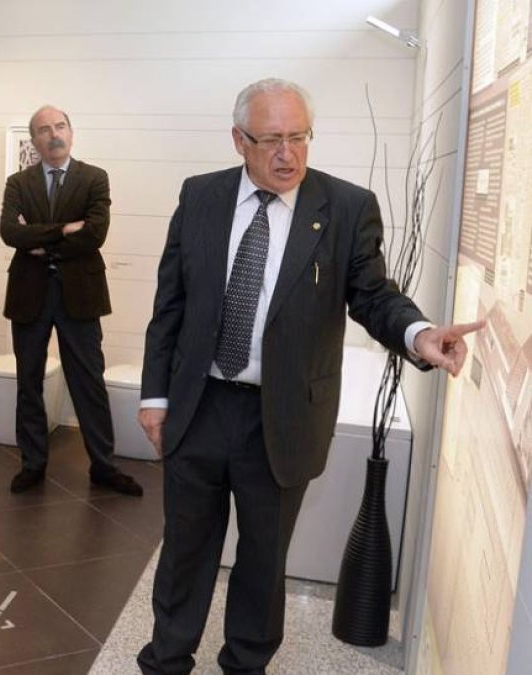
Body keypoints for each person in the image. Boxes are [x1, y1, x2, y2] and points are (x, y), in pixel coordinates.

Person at [136, 78, 485, 674]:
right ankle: (166, 661)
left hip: (284, 416)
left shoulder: (345, 207)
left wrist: (418, 333)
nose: (287, 154)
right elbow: (170, 303)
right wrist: (155, 395)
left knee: (264, 560)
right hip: (199, 406)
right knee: (184, 552)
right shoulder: (200, 196)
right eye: (271, 139)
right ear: (239, 140)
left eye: (299, 137)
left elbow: (373, 294)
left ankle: (245, 665)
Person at [0, 105, 143, 496]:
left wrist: (39, 240)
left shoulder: (94, 178)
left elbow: (95, 234)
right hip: (29, 294)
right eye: (44, 129)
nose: (54, 134)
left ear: (71, 132)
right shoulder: (18, 183)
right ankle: (32, 464)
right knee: (29, 381)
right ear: (34, 140)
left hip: (80, 294)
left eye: (60, 126)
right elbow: (10, 233)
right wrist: (64, 230)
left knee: (88, 382)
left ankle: (104, 466)